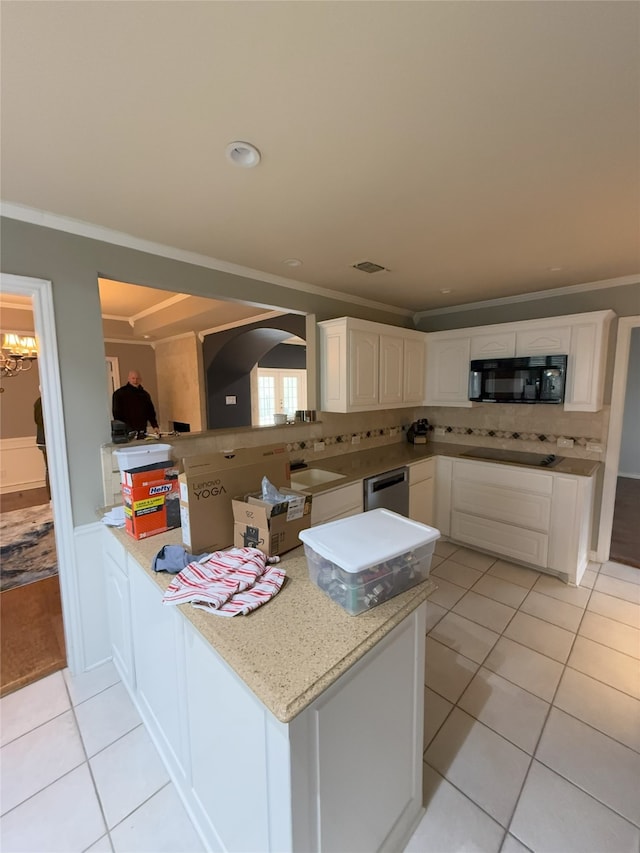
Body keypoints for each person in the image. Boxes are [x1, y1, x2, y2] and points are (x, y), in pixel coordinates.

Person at [112, 370, 160, 439]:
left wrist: (155, 426)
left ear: (140, 380)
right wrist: (122, 429)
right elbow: (116, 413)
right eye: (133, 378)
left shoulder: (145, 394)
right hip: (127, 430)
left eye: (137, 378)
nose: (135, 381)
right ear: (128, 379)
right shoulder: (119, 393)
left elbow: (150, 412)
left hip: (142, 429)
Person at [34, 395, 50, 500]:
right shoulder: (42, 401)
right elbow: (39, 420)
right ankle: (52, 498)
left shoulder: (39, 401)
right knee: (50, 470)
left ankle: (52, 497)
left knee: (50, 470)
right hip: (46, 441)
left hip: (43, 440)